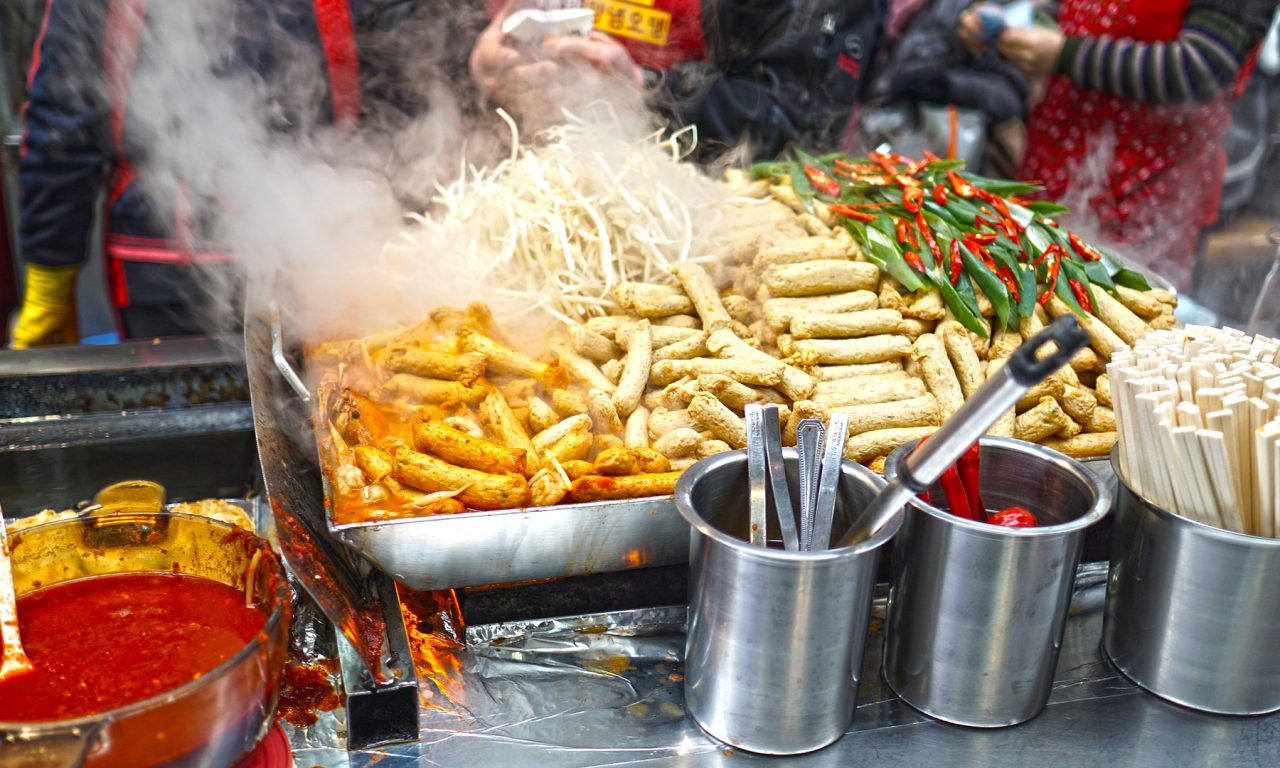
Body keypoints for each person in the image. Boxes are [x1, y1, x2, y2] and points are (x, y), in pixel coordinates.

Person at [11, 0, 486, 348]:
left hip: (324, 269)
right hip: (214, 274)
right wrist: (49, 277)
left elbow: (62, 123)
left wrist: (51, 275)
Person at [959, 0, 1277, 291]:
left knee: (1122, 306)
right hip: (1059, 159)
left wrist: (1063, 54)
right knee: (1030, 283)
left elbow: (1203, 68)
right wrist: (1015, 25)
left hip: (1149, 186)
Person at [471, 0, 885, 163]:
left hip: (690, 213)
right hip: (497, 176)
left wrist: (646, 92)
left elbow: (800, 121)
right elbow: (419, 32)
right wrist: (474, 60)